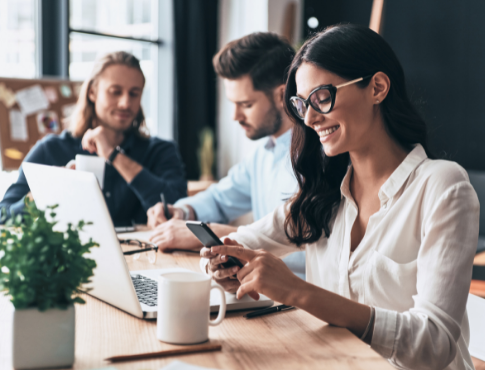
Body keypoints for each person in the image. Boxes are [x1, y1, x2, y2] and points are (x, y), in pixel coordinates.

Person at [201, 24, 479, 370]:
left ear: (377, 87)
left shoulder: (443, 186)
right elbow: (238, 242)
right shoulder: (321, 195)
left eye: (321, 97)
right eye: (302, 104)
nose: (310, 118)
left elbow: (433, 343)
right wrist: (218, 265)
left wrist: (297, 292)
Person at [147, 32, 305, 279]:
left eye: (246, 104)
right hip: (261, 289)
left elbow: (306, 246)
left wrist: (216, 234)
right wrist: (183, 212)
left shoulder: (317, 157)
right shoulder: (263, 153)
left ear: (281, 95)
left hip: (298, 299)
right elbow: (220, 199)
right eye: (233, 103)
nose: (235, 116)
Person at [0, 51, 187, 226]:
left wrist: (114, 156)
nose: (125, 103)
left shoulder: (161, 151)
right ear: (92, 93)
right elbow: (4, 215)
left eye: (134, 93)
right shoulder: (51, 149)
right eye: (115, 91)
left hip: (148, 259)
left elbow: (177, 210)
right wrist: (49, 190)